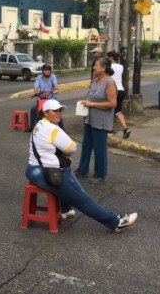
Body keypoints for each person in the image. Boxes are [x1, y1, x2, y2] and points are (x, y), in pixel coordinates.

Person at [25, 99, 138, 232]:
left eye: (60, 110)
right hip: (46, 173)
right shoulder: (52, 129)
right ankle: (115, 222)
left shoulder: (40, 125)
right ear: (46, 113)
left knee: (66, 170)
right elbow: (72, 147)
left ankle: (65, 209)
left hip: (33, 169)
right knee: (83, 201)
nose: (58, 113)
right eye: (54, 111)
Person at [76, 57, 117, 184]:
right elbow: (91, 98)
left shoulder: (110, 83)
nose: (94, 67)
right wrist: (86, 103)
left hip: (101, 121)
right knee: (86, 146)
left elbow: (112, 103)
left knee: (99, 149)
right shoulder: (95, 81)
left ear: (104, 68)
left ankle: (100, 174)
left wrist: (92, 104)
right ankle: (82, 170)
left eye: (96, 66)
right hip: (90, 119)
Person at [107, 51, 131, 139]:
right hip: (121, 90)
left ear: (111, 58)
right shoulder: (121, 67)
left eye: (108, 57)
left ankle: (109, 130)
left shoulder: (109, 67)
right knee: (118, 111)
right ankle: (125, 128)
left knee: (109, 110)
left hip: (112, 90)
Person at [29, 64, 59, 130]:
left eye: (49, 70)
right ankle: (32, 127)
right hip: (41, 98)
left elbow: (56, 85)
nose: (48, 71)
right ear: (42, 71)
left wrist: (56, 90)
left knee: (57, 110)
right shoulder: (39, 77)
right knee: (33, 109)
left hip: (51, 98)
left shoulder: (53, 76)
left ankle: (62, 128)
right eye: (46, 70)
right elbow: (36, 88)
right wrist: (34, 93)